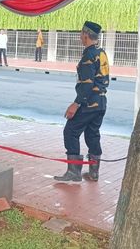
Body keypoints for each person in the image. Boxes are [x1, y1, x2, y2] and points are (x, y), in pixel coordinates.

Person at [54, 21, 109, 182]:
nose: (80, 36)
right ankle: (93, 172)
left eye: (80, 33)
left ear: (85, 34)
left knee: (70, 131)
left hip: (88, 103)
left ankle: (73, 172)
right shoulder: (101, 52)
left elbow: (87, 84)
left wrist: (76, 103)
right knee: (92, 135)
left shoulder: (88, 55)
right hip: (101, 102)